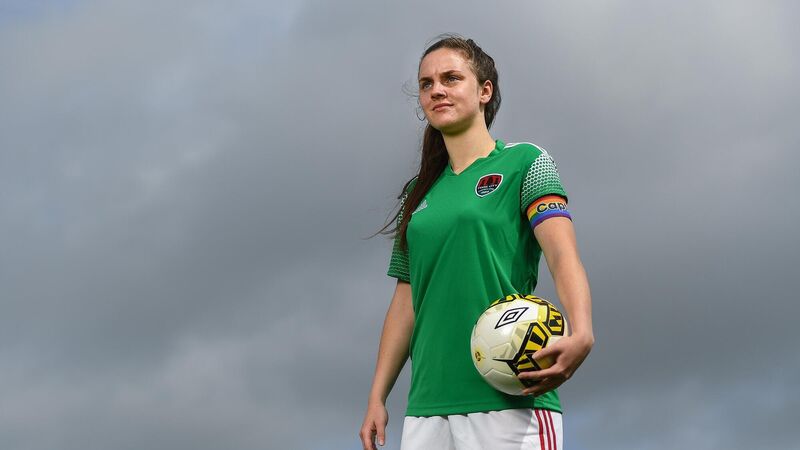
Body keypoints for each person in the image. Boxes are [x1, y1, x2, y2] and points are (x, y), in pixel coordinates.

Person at [359, 34, 594, 450]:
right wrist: (378, 395)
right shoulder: (418, 193)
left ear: (485, 91)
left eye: (451, 78)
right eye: (427, 84)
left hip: (510, 397)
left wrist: (582, 331)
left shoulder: (526, 163)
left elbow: (562, 256)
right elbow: (406, 299)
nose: (437, 90)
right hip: (427, 407)